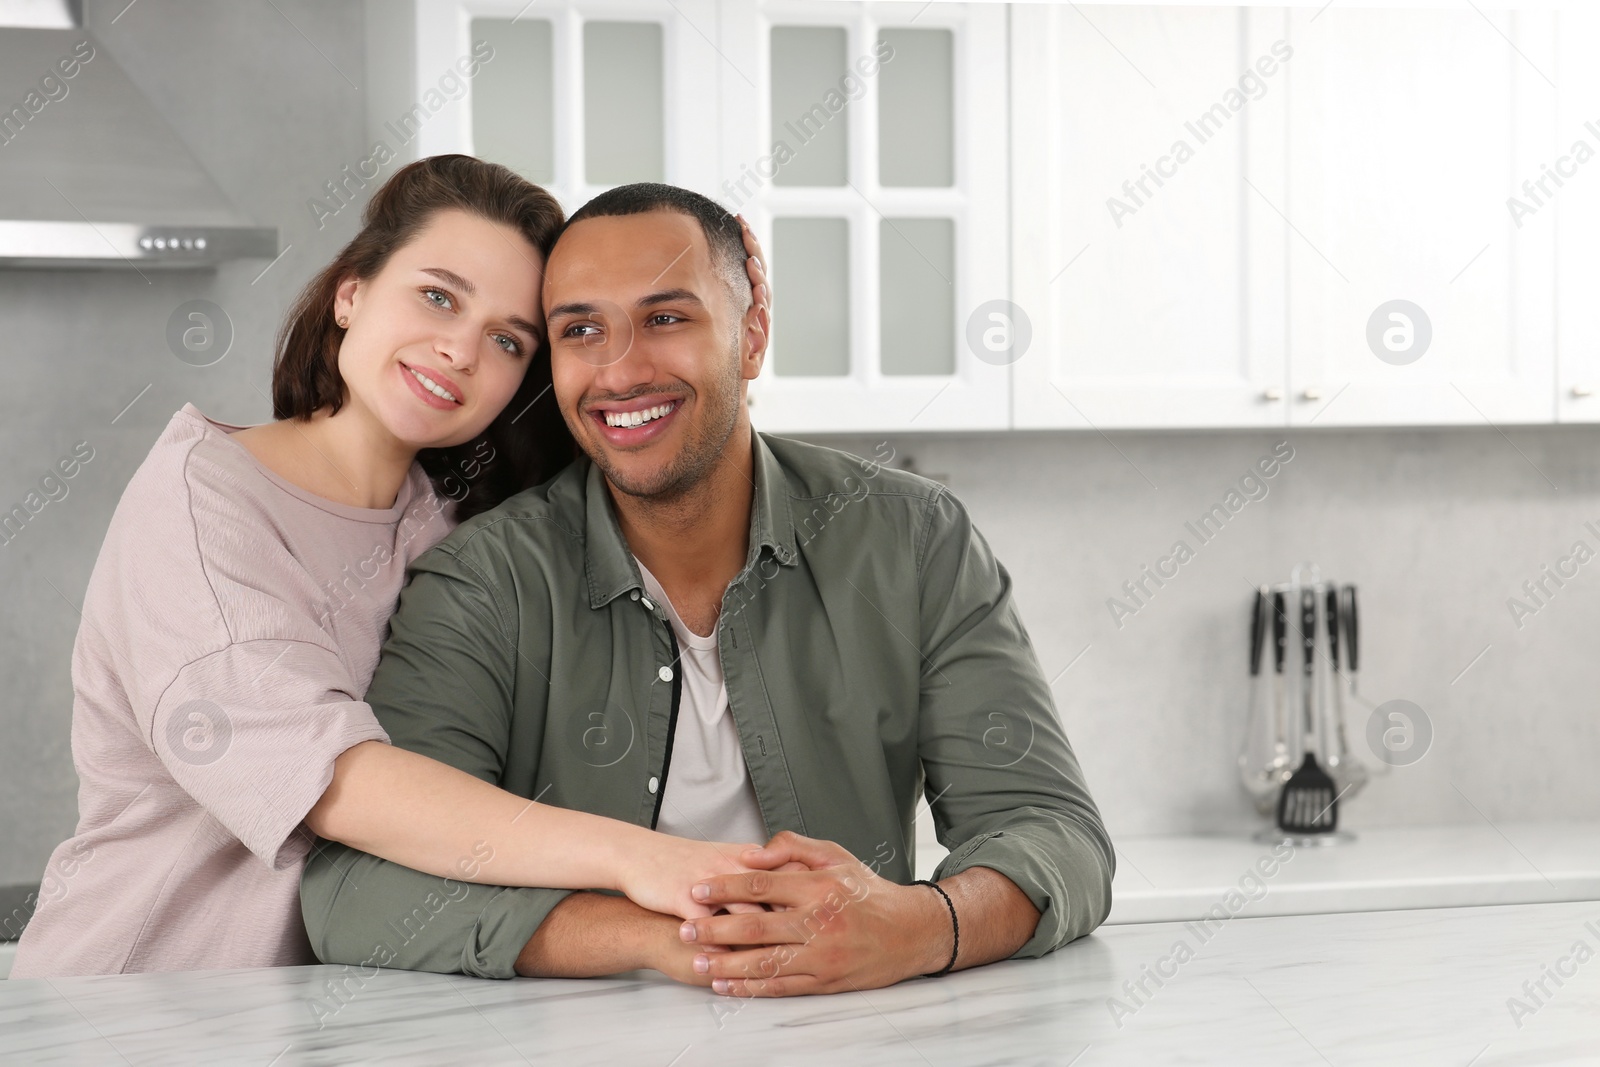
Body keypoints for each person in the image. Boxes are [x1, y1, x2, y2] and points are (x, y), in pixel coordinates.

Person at [302, 182, 1115, 995]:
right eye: (581, 330)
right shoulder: (484, 582)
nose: (621, 370)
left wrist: (917, 927)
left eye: (666, 318)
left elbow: (1054, 832)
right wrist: (669, 939)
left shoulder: (912, 540)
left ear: (751, 334)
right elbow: (356, 894)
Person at [10, 157, 775, 979]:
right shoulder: (203, 504)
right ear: (351, 293)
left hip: (330, 1015)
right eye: (438, 295)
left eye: (507, 338)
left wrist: (732, 313)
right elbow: (333, 784)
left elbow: (665, 457)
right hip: (127, 1007)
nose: (458, 350)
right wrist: (642, 860)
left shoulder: (453, 525)